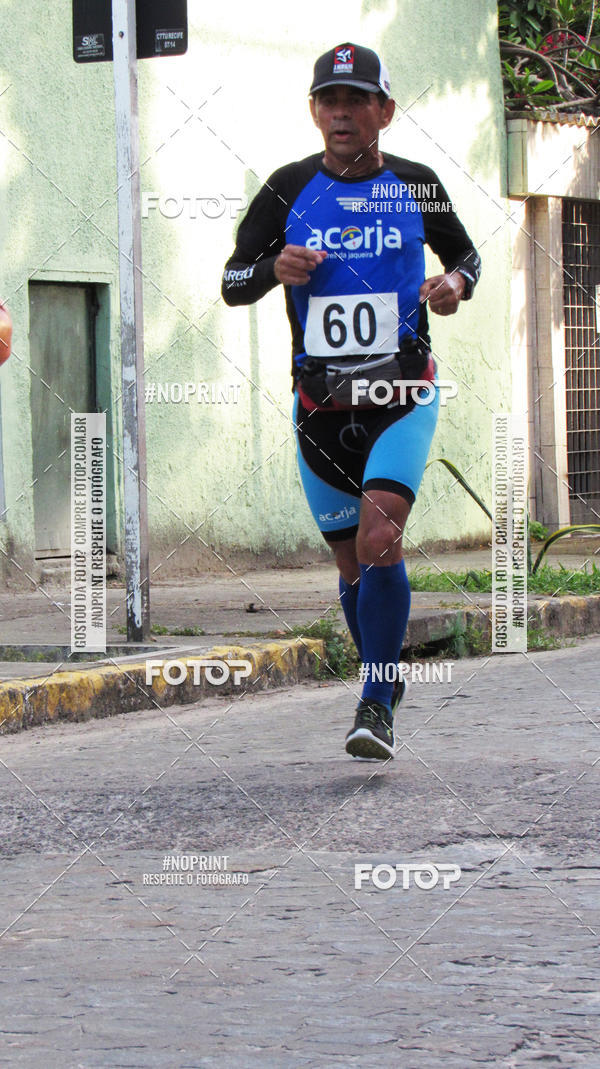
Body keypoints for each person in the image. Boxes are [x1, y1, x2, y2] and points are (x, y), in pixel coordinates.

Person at [222, 43, 480, 760]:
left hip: (402, 392)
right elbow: (233, 279)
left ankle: (374, 702)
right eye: (329, 101)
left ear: (385, 112)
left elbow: (467, 258)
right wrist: (274, 267)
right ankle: (383, 673)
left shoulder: (418, 185)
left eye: (358, 100)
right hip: (321, 406)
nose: (342, 113)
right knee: (350, 567)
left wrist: (455, 287)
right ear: (313, 112)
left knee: (380, 538)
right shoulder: (286, 189)